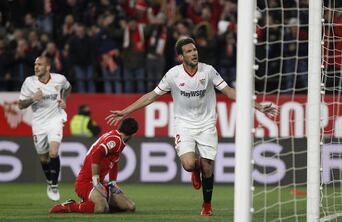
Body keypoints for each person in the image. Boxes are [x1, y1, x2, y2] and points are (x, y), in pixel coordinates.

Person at [106, 37, 278, 216]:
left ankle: (207, 205)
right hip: (184, 125)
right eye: (188, 51)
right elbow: (151, 96)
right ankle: (195, 169)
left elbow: (228, 91)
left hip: (207, 125)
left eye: (194, 49)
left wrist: (257, 106)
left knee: (208, 168)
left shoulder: (208, 71)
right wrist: (126, 111)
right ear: (181, 57)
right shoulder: (173, 75)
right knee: (189, 165)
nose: (194, 53)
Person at [49, 118, 138, 214]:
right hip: (86, 183)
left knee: (130, 207)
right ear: (133, 134)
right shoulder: (115, 140)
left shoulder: (117, 138)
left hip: (100, 183)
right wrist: (96, 179)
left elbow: (115, 161)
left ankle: (94, 203)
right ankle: (70, 206)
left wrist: (113, 182)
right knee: (100, 208)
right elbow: (96, 155)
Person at [18, 56, 72, 201]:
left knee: (53, 152)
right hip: (38, 123)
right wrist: (32, 99)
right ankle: (49, 181)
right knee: (43, 157)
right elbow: (20, 105)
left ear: (48, 67)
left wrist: (64, 100)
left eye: (40, 65)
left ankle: (54, 184)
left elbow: (68, 87)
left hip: (55, 119)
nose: (36, 67)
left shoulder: (59, 79)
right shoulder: (29, 82)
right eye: (35, 64)